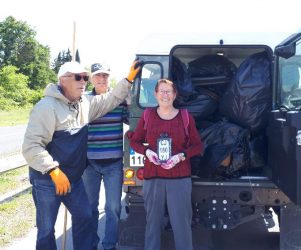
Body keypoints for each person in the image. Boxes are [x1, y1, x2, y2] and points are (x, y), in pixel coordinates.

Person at [22, 60, 141, 250]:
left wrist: (127, 80)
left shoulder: (84, 104)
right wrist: (53, 170)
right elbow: (31, 146)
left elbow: (110, 100)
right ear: (63, 80)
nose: (83, 82)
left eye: (85, 77)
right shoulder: (46, 107)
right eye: (78, 77)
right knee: (46, 229)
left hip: (74, 179)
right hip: (47, 180)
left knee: (85, 217)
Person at [127, 79, 203, 250]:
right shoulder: (148, 115)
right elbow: (135, 142)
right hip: (153, 178)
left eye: (169, 91)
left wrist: (181, 156)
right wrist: (147, 152)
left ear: (175, 95)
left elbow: (198, 146)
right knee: (152, 225)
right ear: (155, 94)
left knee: (181, 226)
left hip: (179, 179)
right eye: (161, 91)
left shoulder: (185, 117)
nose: (165, 95)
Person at [82, 63, 129, 250]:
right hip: (89, 164)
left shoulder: (118, 100)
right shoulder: (84, 101)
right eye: (98, 76)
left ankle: (109, 245)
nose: (102, 79)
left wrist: (131, 100)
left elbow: (130, 120)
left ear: (110, 79)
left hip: (113, 164)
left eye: (105, 76)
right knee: (90, 209)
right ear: (92, 79)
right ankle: (91, 244)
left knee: (113, 208)